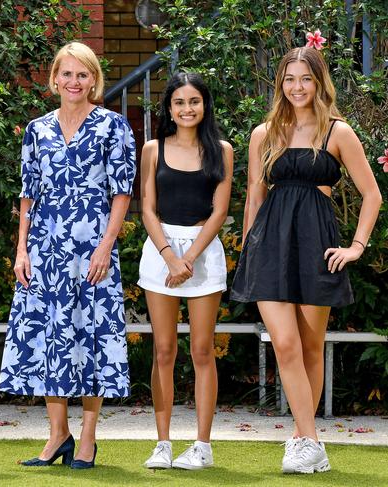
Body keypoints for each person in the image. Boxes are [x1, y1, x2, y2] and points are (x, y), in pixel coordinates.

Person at [231, 46, 381, 474]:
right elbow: (255, 195)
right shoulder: (264, 133)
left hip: (317, 243)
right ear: (281, 83)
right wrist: (248, 249)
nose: (297, 87)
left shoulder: (338, 133)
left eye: (305, 79)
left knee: (311, 345)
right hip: (270, 246)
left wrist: (356, 246)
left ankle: (302, 438)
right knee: (285, 342)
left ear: (319, 82)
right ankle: (310, 440)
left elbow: (372, 194)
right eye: (289, 79)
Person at [0, 41, 136, 469]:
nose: (74, 82)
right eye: (67, 74)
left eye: (83, 74)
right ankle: (58, 434)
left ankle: (88, 440)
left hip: (93, 247)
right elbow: (27, 193)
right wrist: (21, 248)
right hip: (44, 246)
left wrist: (106, 246)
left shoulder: (114, 126)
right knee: (48, 335)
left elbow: (122, 192)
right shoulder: (37, 129)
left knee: (90, 335)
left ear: (94, 80)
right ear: (54, 79)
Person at [137, 73, 233, 470]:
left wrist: (189, 258)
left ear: (204, 105)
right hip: (160, 252)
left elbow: (220, 211)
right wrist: (169, 257)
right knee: (163, 350)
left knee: (201, 350)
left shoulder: (222, 150)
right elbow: (146, 208)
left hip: (203, 252)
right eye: (179, 102)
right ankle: (162, 442)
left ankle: (202, 445)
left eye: (194, 101)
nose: (187, 109)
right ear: (169, 108)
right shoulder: (153, 149)